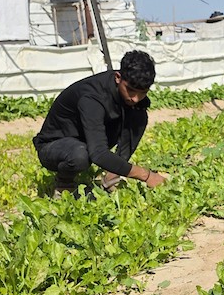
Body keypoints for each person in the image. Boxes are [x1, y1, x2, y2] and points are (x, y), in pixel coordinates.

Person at [33, 50, 168, 196]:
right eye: (130, 90)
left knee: (139, 115)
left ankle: (112, 177)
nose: (135, 98)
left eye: (142, 92)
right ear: (118, 77)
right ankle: (64, 185)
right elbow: (98, 154)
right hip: (53, 147)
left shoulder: (131, 98)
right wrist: (146, 175)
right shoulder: (92, 97)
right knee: (80, 154)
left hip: (84, 139)